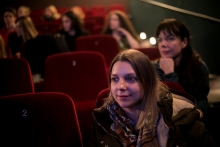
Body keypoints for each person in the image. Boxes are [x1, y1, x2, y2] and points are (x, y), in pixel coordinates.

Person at [89, 49, 216, 147]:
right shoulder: (102, 120)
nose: (120, 86)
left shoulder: (181, 117)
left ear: (148, 82)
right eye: (114, 79)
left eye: (130, 78)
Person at [152, 18, 210, 119]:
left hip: (190, 118)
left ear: (184, 42)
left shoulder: (199, 67)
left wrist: (199, 110)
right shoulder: (153, 69)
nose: (163, 44)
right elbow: (171, 104)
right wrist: (169, 74)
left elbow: (202, 99)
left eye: (170, 38)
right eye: (160, 39)